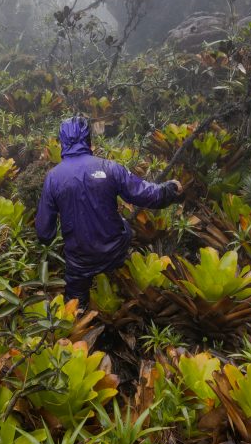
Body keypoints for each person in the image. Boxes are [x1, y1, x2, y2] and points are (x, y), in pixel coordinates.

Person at [35, 115, 183, 307]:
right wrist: (170, 189)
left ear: (62, 141)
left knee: (75, 304)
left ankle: (78, 312)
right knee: (125, 227)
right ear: (88, 139)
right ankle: (123, 290)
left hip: (80, 260)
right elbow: (146, 194)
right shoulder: (110, 168)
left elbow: (44, 233)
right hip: (114, 251)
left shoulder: (53, 178)